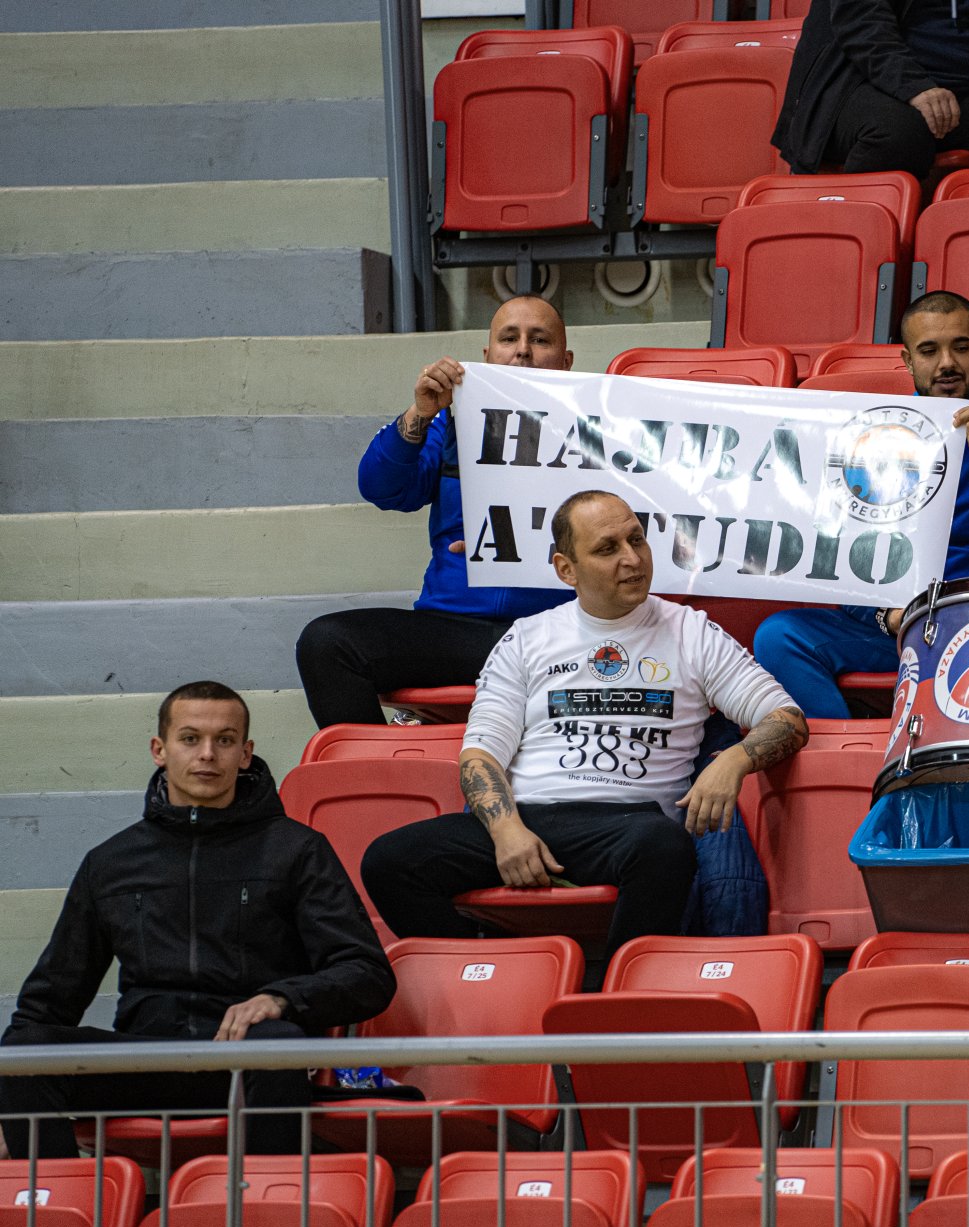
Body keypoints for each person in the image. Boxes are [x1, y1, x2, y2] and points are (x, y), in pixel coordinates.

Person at [361, 490, 807, 959]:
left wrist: (733, 760)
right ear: (565, 569)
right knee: (388, 861)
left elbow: (788, 720)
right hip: (528, 816)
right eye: (607, 548)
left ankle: (618, 991)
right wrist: (506, 830)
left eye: (637, 539)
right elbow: (481, 754)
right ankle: (490, 964)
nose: (632, 559)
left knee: (665, 846)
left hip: (631, 826)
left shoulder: (691, 631)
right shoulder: (527, 637)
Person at [0, 682, 394, 1159]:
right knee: (24, 1050)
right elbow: (47, 1005)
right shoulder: (112, 863)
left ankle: (273, 1221)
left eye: (225, 740)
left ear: (245, 754)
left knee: (276, 1044)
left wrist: (280, 998)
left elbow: (366, 973)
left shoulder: (296, 850)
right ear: (159, 750)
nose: (208, 754)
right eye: (190, 739)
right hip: (146, 1065)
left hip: (250, 1061)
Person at [753, 291, 969, 718]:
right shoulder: (877, 435)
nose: (947, 363)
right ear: (908, 359)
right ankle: (847, 769)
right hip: (913, 621)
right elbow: (837, 558)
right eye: (929, 351)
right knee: (779, 636)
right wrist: (887, 616)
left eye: (961, 347)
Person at [296, 295, 575, 728]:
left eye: (540, 339)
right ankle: (380, 785)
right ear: (487, 356)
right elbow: (382, 489)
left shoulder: (599, 432)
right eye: (509, 338)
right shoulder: (448, 422)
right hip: (452, 629)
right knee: (326, 643)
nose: (522, 349)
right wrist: (421, 414)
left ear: (566, 360)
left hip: (553, 634)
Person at [770, 0, 969, 177]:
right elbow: (862, 25)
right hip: (859, 88)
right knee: (900, 130)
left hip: (962, 97)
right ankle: (856, 241)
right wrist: (916, 88)